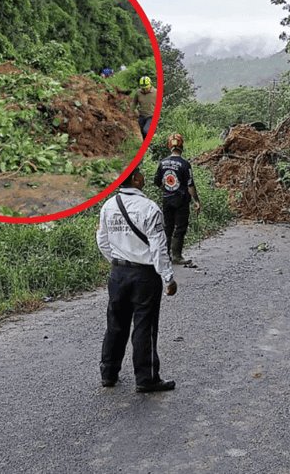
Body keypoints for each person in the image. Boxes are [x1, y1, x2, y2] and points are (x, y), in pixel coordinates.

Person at [96, 165, 178, 393]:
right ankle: (146, 378)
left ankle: (109, 373)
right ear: (135, 179)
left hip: (118, 273)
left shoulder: (108, 206)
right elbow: (159, 248)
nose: (143, 176)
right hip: (144, 275)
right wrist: (168, 278)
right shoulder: (149, 208)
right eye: (140, 173)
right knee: (144, 325)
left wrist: (118, 261)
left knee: (115, 323)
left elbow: (102, 241)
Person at [154, 133, 201, 264]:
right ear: (182, 146)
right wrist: (196, 200)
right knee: (180, 227)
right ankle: (177, 256)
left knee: (167, 228)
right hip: (181, 201)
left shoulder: (162, 163)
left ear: (169, 146)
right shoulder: (185, 164)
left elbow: (157, 181)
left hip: (167, 200)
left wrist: (166, 190)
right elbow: (190, 185)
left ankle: (165, 256)